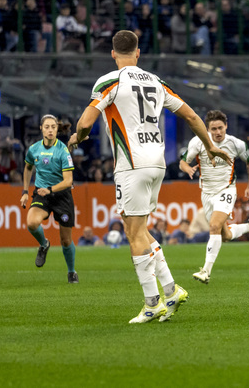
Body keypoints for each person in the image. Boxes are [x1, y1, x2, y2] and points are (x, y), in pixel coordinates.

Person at [70, 30, 231, 323]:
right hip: (158, 163)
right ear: (138, 52)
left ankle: (152, 302)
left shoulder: (109, 81)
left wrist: (76, 138)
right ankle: (171, 290)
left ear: (113, 54)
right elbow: (193, 117)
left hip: (132, 164)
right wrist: (210, 146)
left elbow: (85, 122)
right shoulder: (156, 81)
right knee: (141, 231)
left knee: (132, 233)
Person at [180, 110, 249, 284]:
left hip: (226, 190)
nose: (218, 132)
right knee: (225, 236)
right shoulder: (197, 142)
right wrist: (188, 169)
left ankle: (205, 271)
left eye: (220, 128)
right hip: (207, 193)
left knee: (214, 225)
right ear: (207, 129)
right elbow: (184, 161)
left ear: (226, 126)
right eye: (213, 129)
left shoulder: (236, 143)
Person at [20, 114, 78, 284]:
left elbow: (68, 181)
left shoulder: (62, 150)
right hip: (41, 194)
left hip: (61, 196)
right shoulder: (34, 149)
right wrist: (25, 191)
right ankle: (44, 244)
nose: (50, 130)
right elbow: (28, 167)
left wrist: (50, 189)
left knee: (66, 240)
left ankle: (71, 272)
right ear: (41, 129)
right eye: (47, 127)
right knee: (31, 222)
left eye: (53, 127)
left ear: (57, 129)